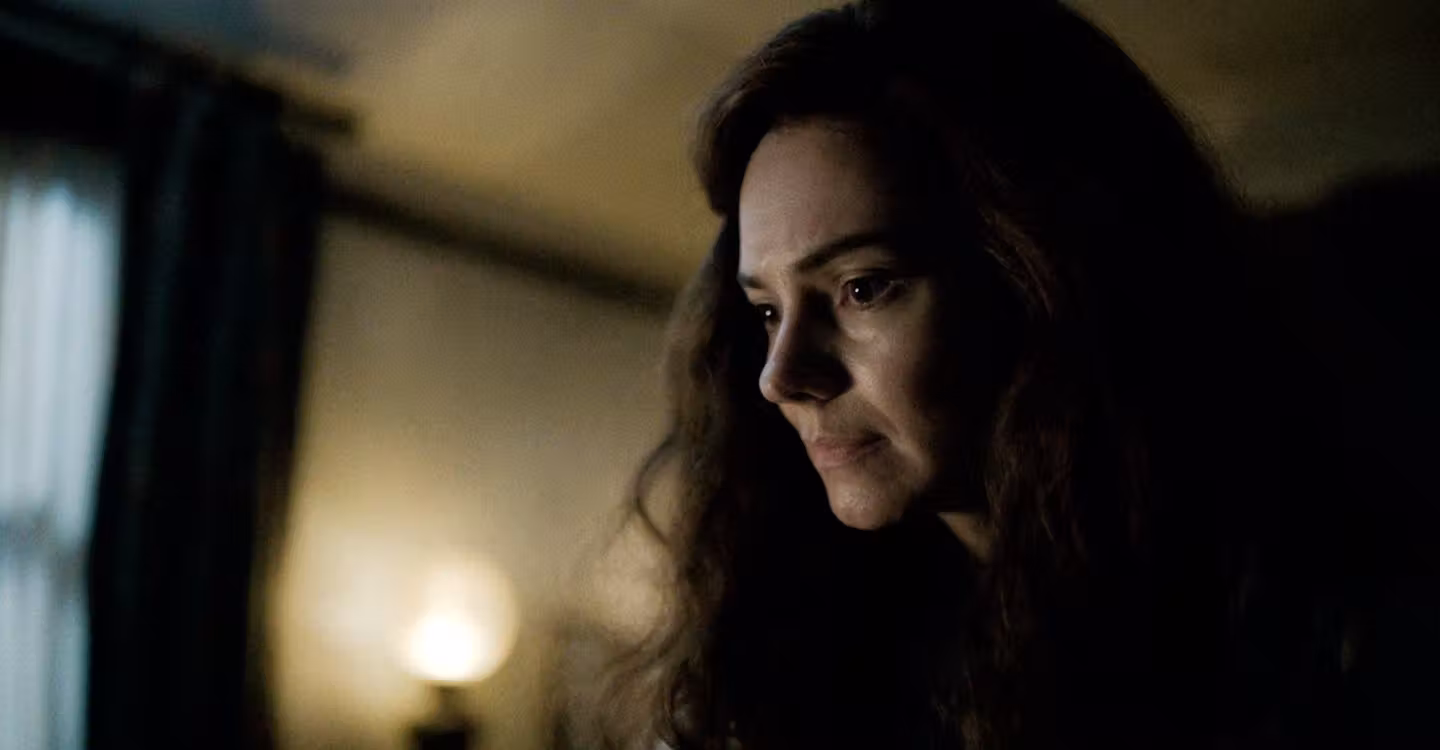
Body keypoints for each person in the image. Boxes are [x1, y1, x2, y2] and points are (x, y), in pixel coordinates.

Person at [600, 1, 1432, 748]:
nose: (781, 377)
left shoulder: (1337, 627)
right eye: (767, 310)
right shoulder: (826, 651)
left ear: (1043, 275)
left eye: (862, 288)